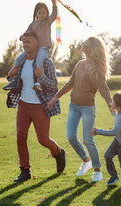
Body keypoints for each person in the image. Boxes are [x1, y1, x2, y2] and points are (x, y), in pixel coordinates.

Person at [47, 37, 114, 182]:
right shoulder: (80, 64)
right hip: (74, 106)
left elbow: (103, 88)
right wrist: (55, 97)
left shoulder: (97, 68)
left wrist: (110, 103)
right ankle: (86, 160)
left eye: (84, 45)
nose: (81, 46)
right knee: (71, 136)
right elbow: (71, 82)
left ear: (90, 48)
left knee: (88, 139)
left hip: (87, 108)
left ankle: (97, 171)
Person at [6, 31, 66, 182]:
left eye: (29, 42)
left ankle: (58, 152)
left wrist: (41, 76)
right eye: (23, 42)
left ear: (37, 43)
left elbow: (53, 86)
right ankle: (25, 170)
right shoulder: (20, 63)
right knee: (21, 136)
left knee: (43, 140)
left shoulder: (46, 63)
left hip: (40, 106)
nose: (25, 45)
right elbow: (15, 81)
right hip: (24, 105)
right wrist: (10, 75)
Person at [4, 0, 58, 92]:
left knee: (39, 62)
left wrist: (54, 3)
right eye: (39, 13)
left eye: (44, 13)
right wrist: (22, 37)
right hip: (33, 48)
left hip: (43, 48)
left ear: (47, 13)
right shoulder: (33, 24)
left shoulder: (47, 22)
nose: (42, 15)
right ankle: (13, 80)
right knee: (18, 59)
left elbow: (54, 14)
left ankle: (39, 83)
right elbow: (27, 33)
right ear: (36, 13)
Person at [91, 91, 121, 186]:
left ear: (119, 105)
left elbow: (114, 132)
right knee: (107, 156)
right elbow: (116, 115)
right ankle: (114, 176)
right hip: (117, 141)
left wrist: (98, 131)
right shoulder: (120, 114)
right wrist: (112, 110)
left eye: (114, 102)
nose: (112, 103)